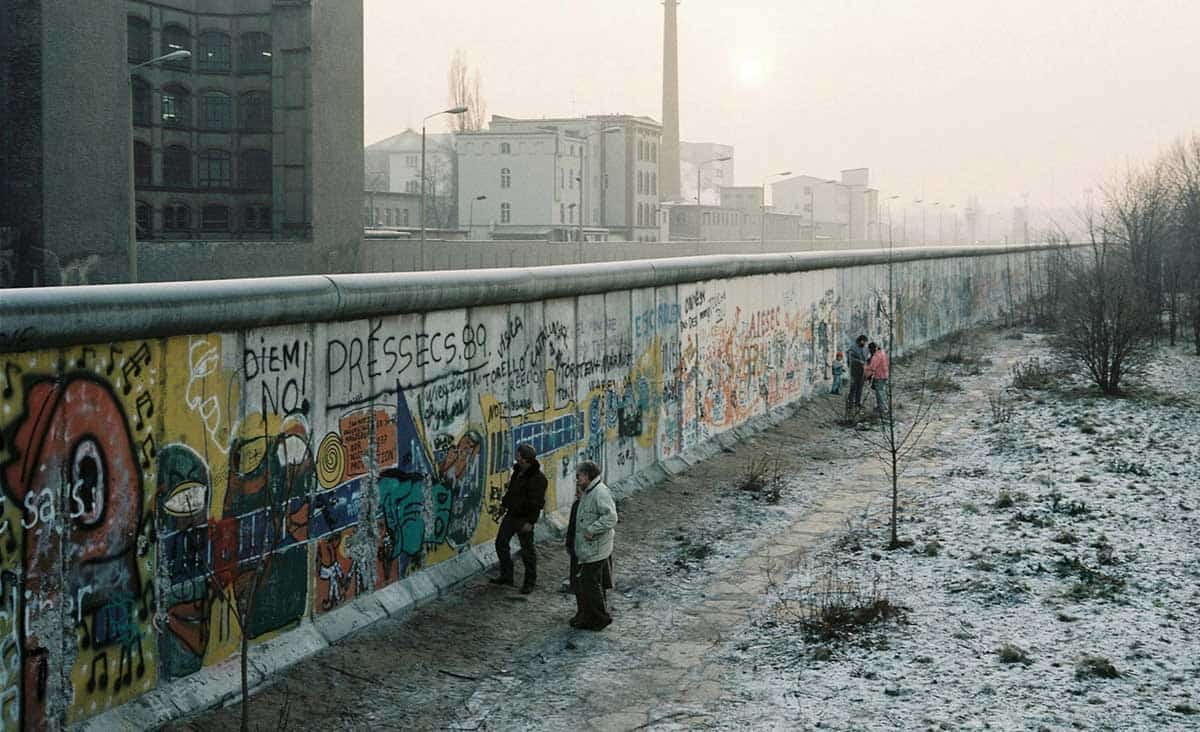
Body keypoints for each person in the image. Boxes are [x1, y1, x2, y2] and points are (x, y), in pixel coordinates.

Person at [489, 444, 547, 593]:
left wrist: (530, 522)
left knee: (527, 551)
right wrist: (503, 506)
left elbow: (538, 503)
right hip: (512, 515)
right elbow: (511, 492)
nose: (516, 457)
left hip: (524, 518)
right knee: (501, 543)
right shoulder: (518, 472)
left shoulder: (538, 478)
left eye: (519, 455)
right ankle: (507, 576)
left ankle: (529, 582)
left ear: (524, 459)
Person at [571, 461, 617, 630]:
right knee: (588, 582)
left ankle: (601, 618)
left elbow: (611, 518)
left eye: (579, 476)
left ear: (587, 475)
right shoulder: (589, 491)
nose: (577, 479)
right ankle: (591, 616)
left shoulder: (599, 493)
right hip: (590, 547)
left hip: (596, 547)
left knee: (589, 582)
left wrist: (592, 530)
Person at [864, 341, 891, 417]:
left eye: (870, 350)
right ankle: (881, 406)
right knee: (880, 391)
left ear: (872, 349)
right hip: (884, 375)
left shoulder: (876, 356)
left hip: (879, 376)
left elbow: (872, 368)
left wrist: (866, 372)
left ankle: (882, 408)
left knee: (879, 392)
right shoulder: (882, 353)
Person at [847, 335, 870, 408]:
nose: (864, 343)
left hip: (862, 370)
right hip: (854, 369)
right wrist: (859, 361)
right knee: (853, 386)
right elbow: (850, 359)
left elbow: (866, 358)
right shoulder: (853, 348)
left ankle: (858, 402)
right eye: (863, 341)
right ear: (860, 340)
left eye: (865, 342)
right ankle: (850, 403)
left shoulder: (865, 349)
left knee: (860, 387)